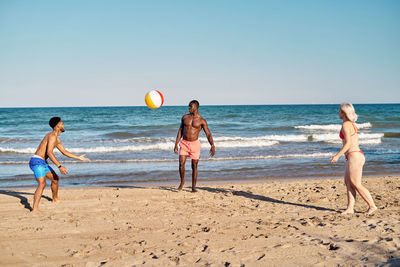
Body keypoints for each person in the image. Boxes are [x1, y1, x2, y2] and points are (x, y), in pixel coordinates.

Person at [29, 117, 89, 212]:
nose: (64, 125)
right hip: (36, 161)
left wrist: (78, 157)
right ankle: (35, 209)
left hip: (42, 162)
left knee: (55, 179)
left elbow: (64, 151)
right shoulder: (52, 136)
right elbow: (49, 152)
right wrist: (59, 166)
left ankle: (55, 199)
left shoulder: (56, 139)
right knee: (42, 183)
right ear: (57, 125)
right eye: (62, 123)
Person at [330, 103, 377, 214]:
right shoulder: (350, 124)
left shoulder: (346, 125)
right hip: (352, 156)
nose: (338, 113)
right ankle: (350, 208)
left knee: (356, 183)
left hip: (354, 156)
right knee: (348, 182)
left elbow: (348, 144)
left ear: (344, 113)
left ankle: (372, 206)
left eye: (340, 111)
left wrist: (337, 155)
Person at [174, 100, 215, 192]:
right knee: (181, 164)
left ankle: (193, 187)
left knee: (194, 166)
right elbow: (180, 130)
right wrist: (176, 143)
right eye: (188, 106)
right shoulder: (185, 117)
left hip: (195, 144)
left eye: (190, 106)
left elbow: (208, 134)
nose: (188, 108)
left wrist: (212, 145)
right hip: (184, 143)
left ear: (196, 107)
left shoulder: (201, 120)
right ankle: (182, 182)